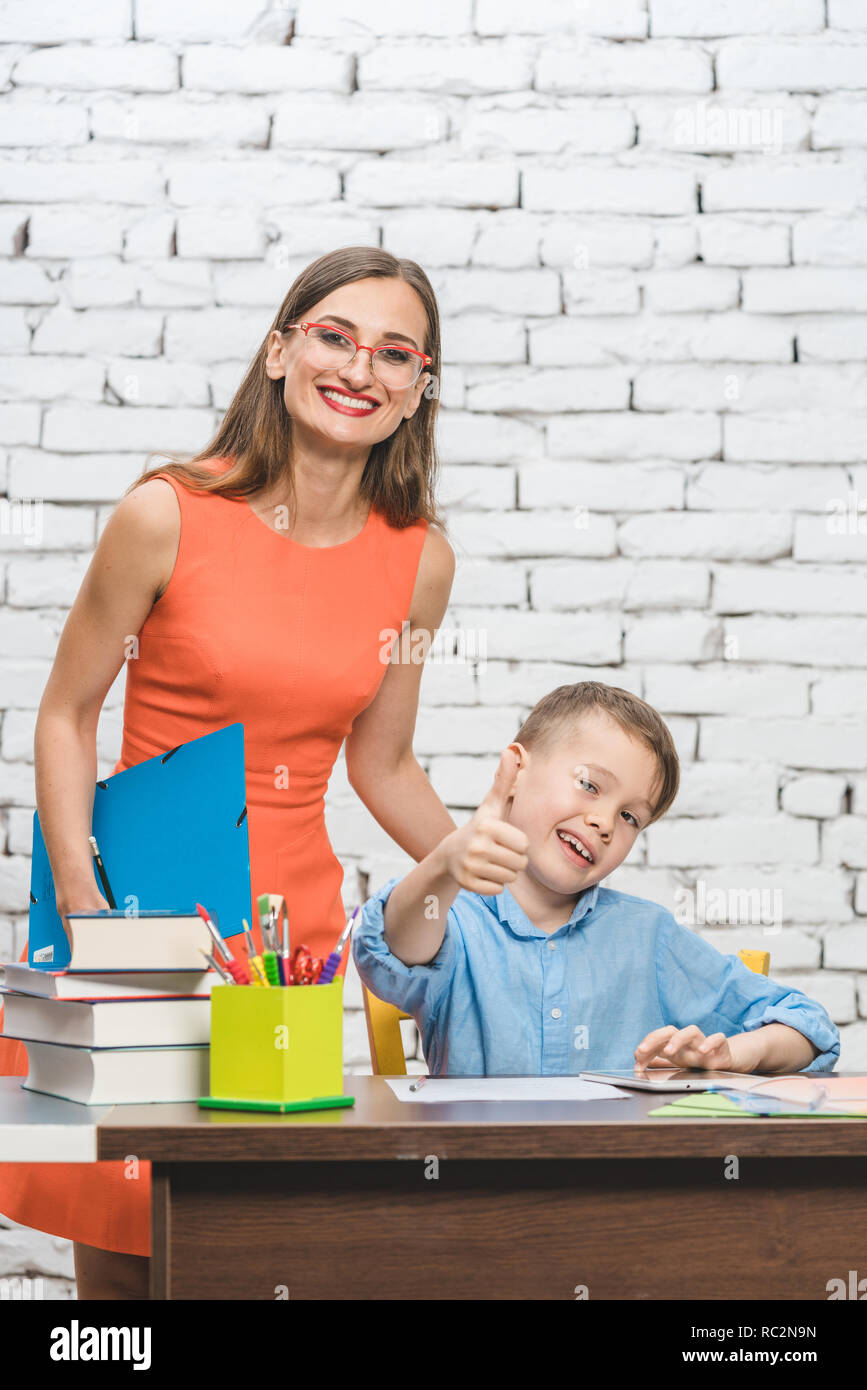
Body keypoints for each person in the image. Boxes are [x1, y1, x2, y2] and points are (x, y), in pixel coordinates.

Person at [0, 246, 457, 1298]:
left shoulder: (420, 561)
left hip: (289, 946)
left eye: (395, 353)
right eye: (335, 335)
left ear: (417, 390)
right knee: (124, 1264)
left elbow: (382, 761)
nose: (359, 367)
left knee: (256, 1252)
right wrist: (81, 896)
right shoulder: (164, 513)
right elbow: (68, 712)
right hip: (141, 923)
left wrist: (493, 871)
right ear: (280, 347)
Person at [353, 682, 840, 1077]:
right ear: (516, 772)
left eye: (630, 816)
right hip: (479, 1185)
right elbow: (392, 947)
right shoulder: (454, 919)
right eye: (589, 784)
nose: (605, 823)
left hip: (620, 1187)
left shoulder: (648, 938)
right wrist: (442, 863)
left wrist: (734, 1053)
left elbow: (808, 1028)